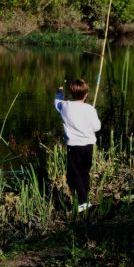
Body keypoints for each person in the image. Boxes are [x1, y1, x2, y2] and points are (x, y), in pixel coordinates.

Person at [54, 79, 101, 212]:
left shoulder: (65, 106)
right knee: (84, 172)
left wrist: (59, 92)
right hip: (88, 146)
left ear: (71, 93)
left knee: (74, 174)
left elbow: (57, 103)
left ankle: (83, 201)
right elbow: (97, 127)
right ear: (86, 94)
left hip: (73, 146)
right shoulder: (90, 109)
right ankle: (83, 199)